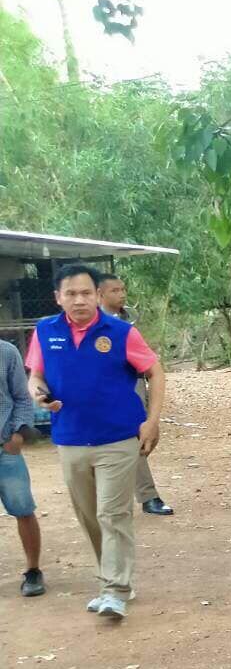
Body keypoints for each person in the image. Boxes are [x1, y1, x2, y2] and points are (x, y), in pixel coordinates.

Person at [26, 263, 165, 620]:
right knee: (88, 516)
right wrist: (38, 393)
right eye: (71, 293)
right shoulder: (45, 332)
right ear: (58, 297)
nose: (79, 300)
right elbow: (36, 375)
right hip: (70, 439)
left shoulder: (119, 332)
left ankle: (114, 590)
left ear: (97, 296)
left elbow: (154, 369)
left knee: (112, 513)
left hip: (118, 439)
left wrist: (152, 421)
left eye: (86, 293)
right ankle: (114, 580)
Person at [97, 274, 173, 517]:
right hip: (101, 390)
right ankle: (146, 495)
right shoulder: (91, 324)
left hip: (133, 383)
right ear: (100, 294)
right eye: (115, 291)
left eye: (123, 289)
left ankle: (143, 495)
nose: (121, 294)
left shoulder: (127, 321)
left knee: (139, 437)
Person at [2, 337, 44, 596]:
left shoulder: (6, 353)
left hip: (5, 447)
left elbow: (21, 396)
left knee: (23, 509)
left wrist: (18, 434)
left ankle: (33, 571)